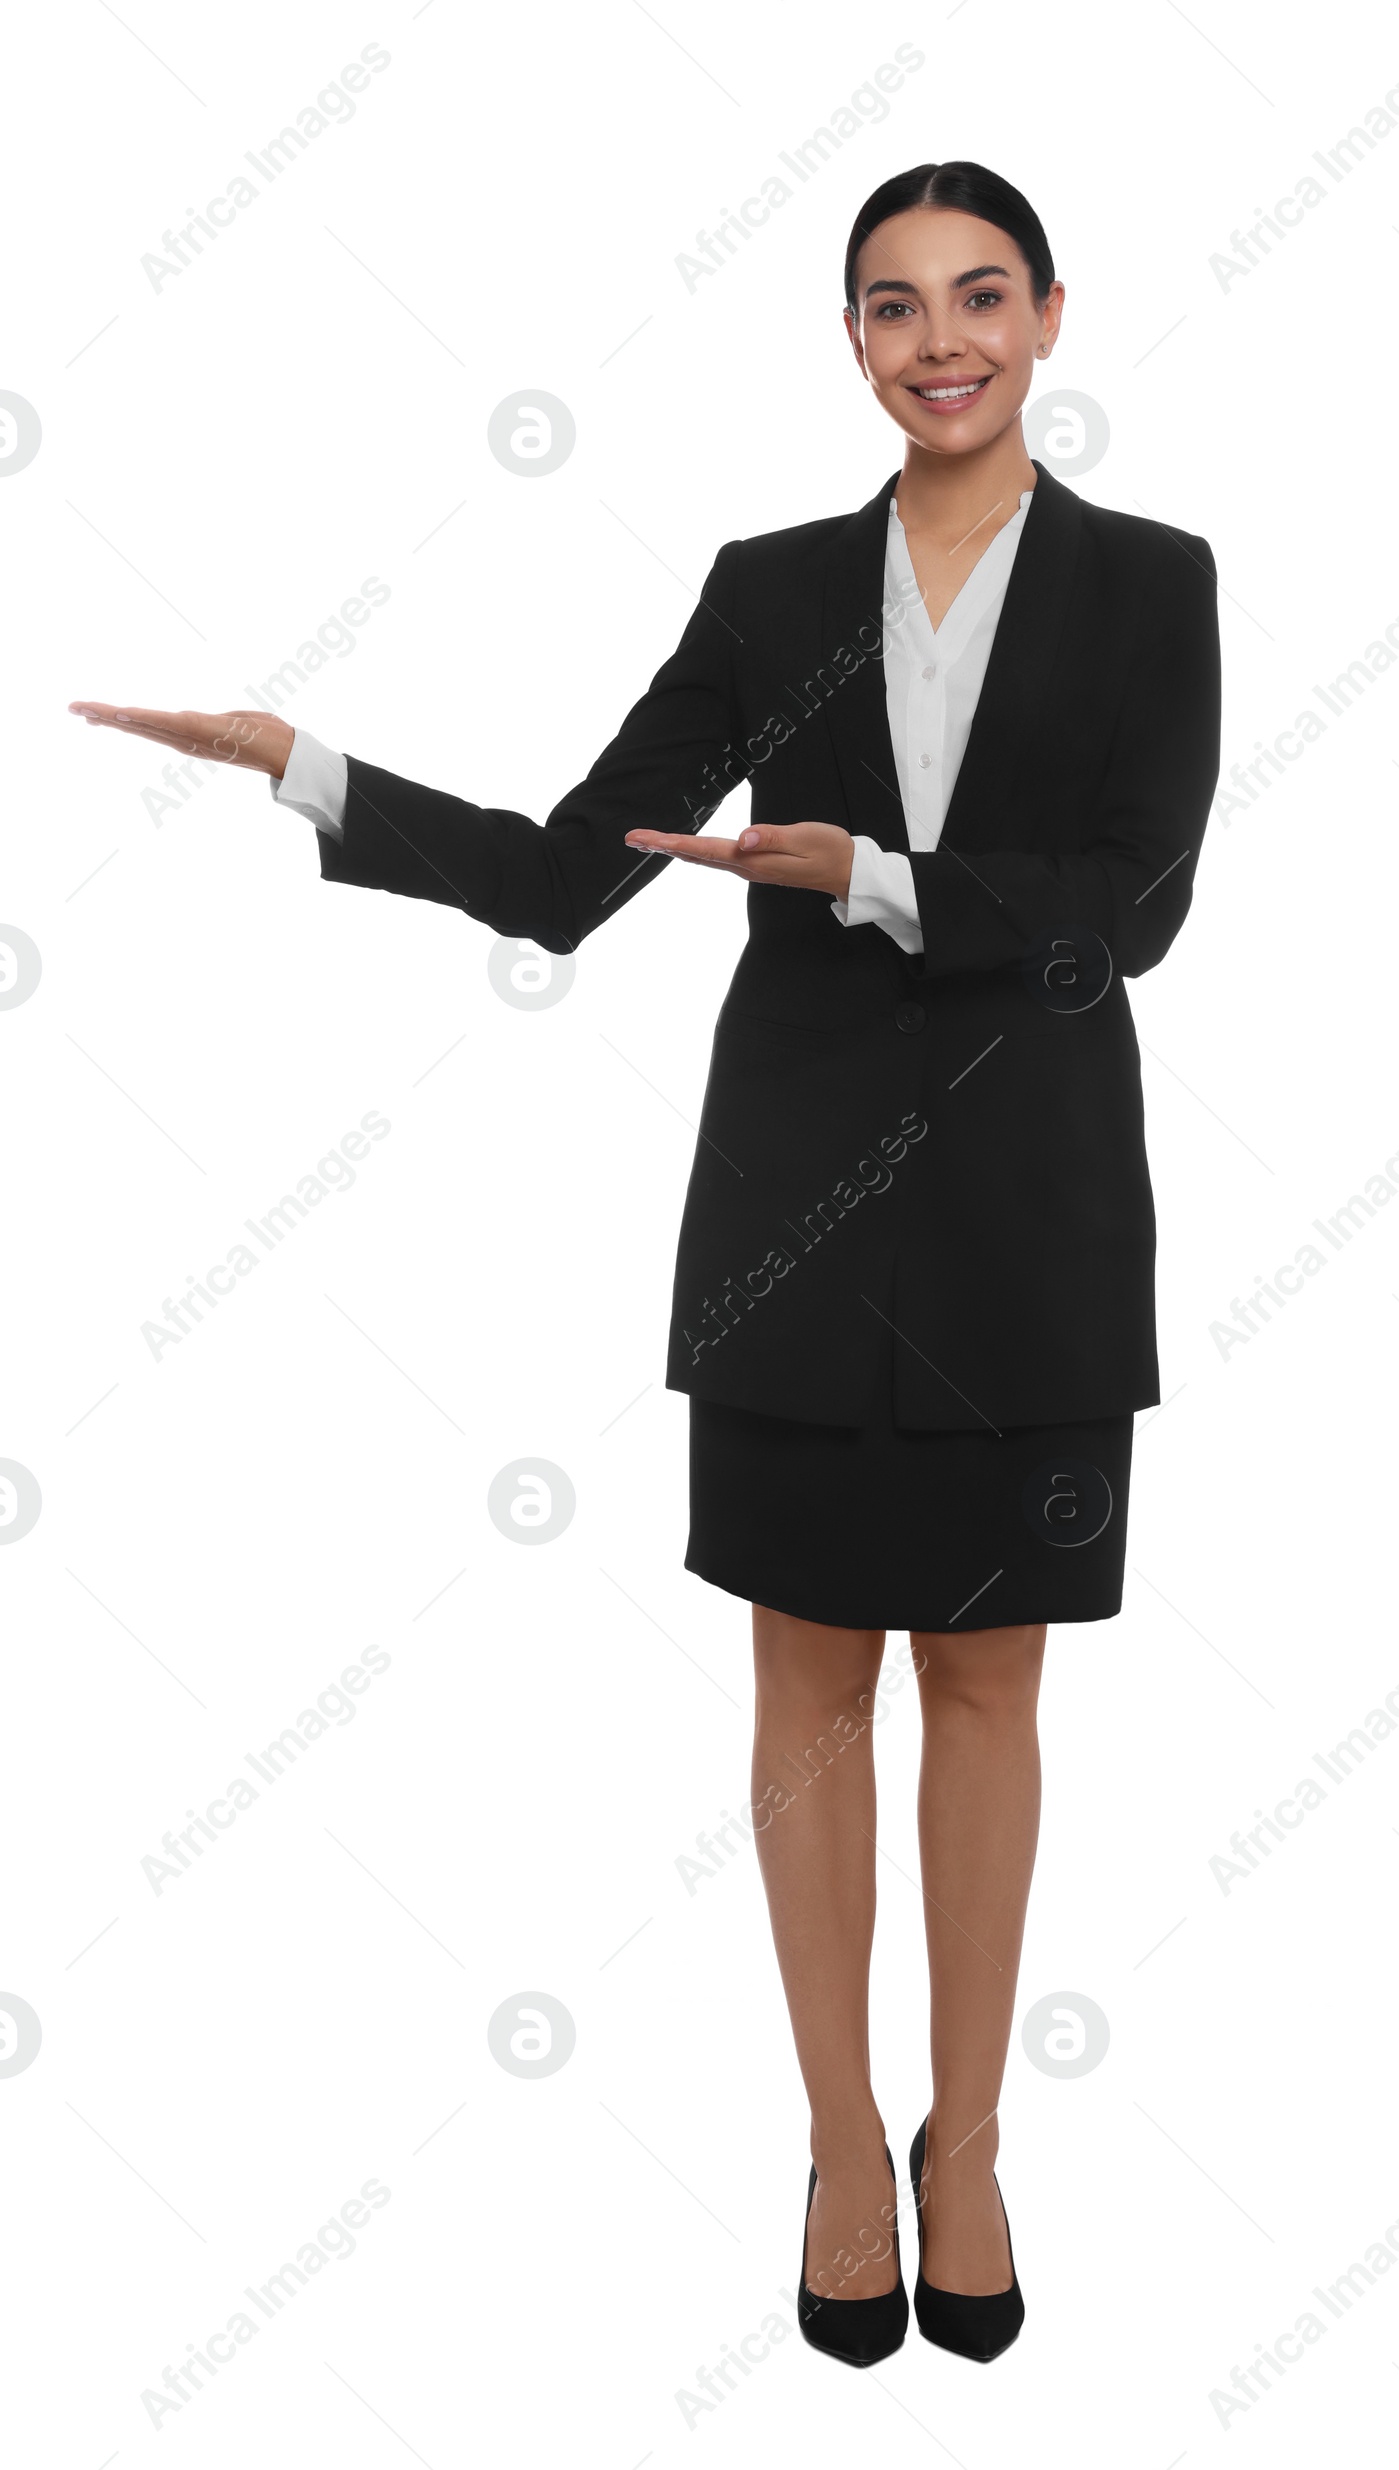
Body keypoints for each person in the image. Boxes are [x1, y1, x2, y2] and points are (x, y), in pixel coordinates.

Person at [71, 158, 1221, 2368]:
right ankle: (827, 2144)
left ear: (1052, 320)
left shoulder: (1149, 582)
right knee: (805, 1687)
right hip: (795, 1213)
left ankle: (963, 2145)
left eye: (981, 297)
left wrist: (872, 871)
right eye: (893, 305)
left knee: (987, 1685)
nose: (940, 338)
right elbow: (558, 875)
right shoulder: (768, 585)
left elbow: (1131, 906)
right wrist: (298, 760)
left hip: (1030, 1218)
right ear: (852, 344)